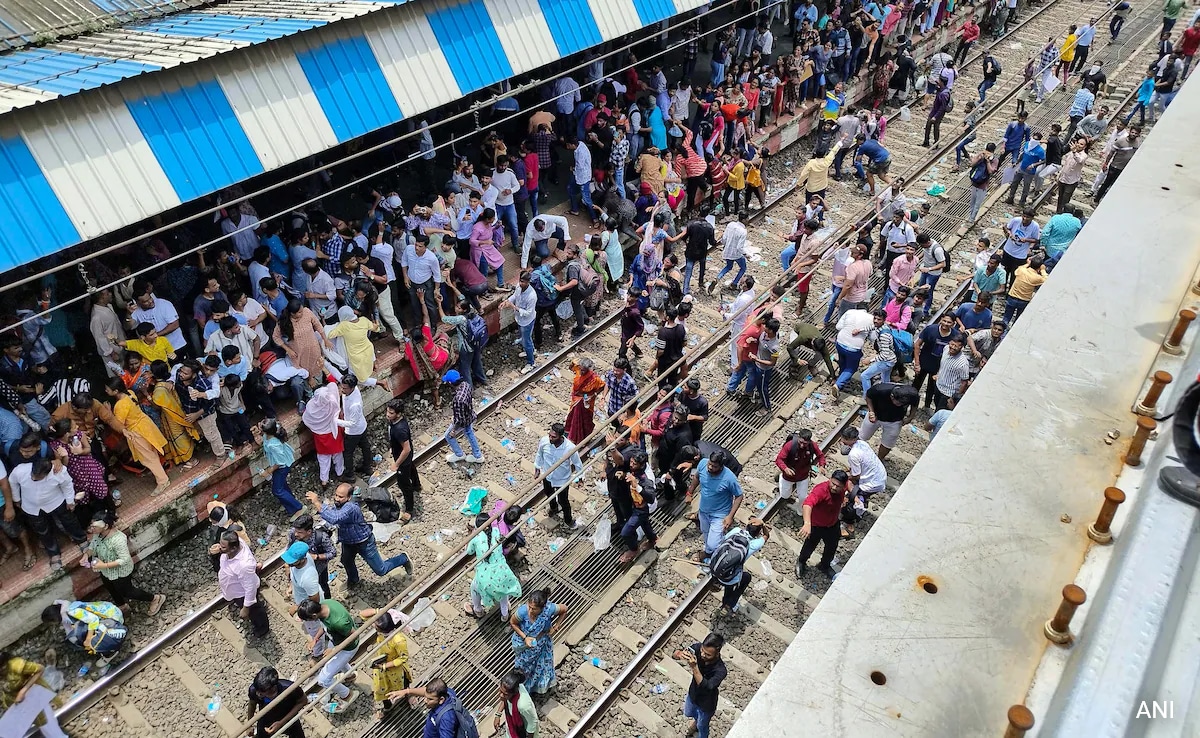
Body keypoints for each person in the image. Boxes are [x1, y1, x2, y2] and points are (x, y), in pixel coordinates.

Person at [306, 483, 412, 586]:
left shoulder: (351, 507)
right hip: (348, 542)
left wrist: (316, 502)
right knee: (346, 561)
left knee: (381, 570)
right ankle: (353, 580)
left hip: (364, 543)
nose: (337, 498)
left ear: (349, 497)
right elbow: (332, 514)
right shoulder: (339, 504)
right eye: (336, 495)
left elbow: (335, 518)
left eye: (341, 497)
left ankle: (403, 558)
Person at [10, 456, 86, 570]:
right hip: (31, 507)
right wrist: (17, 499)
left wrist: (70, 501)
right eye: (33, 475)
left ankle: (81, 540)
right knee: (42, 531)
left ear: (47, 473)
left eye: (37, 477)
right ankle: (54, 553)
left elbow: (67, 485)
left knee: (69, 521)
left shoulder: (58, 472)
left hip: (56, 501)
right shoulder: (20, 470)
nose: (33, 478)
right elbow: (12, 481)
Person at [297, 598, 361, 712]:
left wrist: (334, 650)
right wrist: (315, 639)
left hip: (347, 648)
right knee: (331, 661)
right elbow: (325, 625)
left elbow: (354, 636)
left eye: (308, 620)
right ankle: (350, 675)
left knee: (323, 680)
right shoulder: (325, 605)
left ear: (314, 615)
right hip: (336, 639)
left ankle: (347, 695)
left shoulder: (338, 622)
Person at [356, 607, 416, 721]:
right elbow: (362, 614)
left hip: (394, 669)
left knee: (403, 682)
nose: (373, 625)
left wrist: (384, 666)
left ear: (383, 629)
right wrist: (378, 612)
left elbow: (403, 657)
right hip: (381, 665)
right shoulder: (384, 625)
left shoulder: (398, 640)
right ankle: (387, 707)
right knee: (381, 689)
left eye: (376, 625)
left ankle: (408, 694)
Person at [686, 450, 744, 563]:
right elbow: (697, 477)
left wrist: (730, 516)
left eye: (715, 466)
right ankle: (712, 548)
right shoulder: (703, 463)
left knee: (713, 545)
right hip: (703, 511)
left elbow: (739, 496)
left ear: (721, 466)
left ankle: (709, 552)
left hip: (719, 515)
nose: (710, 467)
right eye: (710, 464)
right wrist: (689, 493)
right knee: (705, 532)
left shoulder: (729, 478)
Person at [509, 588, 567, 694]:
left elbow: (564, 609)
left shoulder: (549, 609)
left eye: (534, 609)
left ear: (543, 607)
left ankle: (537, 686)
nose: (531, 611)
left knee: (541, 665)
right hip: (524, 644)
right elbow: (513, 623)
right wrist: (525, 637)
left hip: (541, 642)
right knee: (522, 667)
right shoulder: (522, 612)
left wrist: (556, 626)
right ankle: (521, 688)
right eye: (529, 607)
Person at [40, 599, 127, 670]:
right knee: (79, 634)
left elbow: (94, 620)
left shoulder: (72, 612)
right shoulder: (67, 606)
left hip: (113, 619)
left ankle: (109, 652)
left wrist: (88, 639)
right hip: (108, 611)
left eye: (51, 623)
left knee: (82, 636)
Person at [466, 511, 523, 618]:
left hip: (484, 577)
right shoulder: (496, 531)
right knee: (503, 590)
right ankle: (505, 615)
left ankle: (478, 610)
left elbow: (469, 552)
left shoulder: (475, 538)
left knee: (474, 587)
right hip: (503, 572)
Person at [671, 634, 727, 738]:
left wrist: (694, 667)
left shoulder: (721, 671)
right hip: (693, 694)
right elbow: (674, 655)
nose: (702, 655)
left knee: (702, 726)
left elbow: (706, 687)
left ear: (717, 653)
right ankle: (696, 722)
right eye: (702, 650)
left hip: (706, 704)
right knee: (688, 712)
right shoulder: (697, 648)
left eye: (708, 654)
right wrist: (679, 654)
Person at [796, 469, 849, 578]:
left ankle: (824, 565)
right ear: (830, 479)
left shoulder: (844, 487)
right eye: (833, 484)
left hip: (833, 524)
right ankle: (801, 561)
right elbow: (807, 504)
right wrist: (807, 523)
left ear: (843, 486)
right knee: (810, 545)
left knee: (832, 546)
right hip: (817, 526)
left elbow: (850, 483)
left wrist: (852, 497)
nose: (834, 487)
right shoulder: (820, 490)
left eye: (838, 486)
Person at [1, 650, 66, 738]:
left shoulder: (16, 665)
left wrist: (23, 690)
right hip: (19, 705)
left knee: (48, 725)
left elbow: (40, 669)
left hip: (34, 698)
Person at [217, 529, 268, 637]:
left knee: (255, 612)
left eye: (223, 547)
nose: (220, 548)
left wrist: (245, 608)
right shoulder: (236, 542)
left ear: (234, 548)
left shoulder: (243, 566)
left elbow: (250, 588)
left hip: (242, 593)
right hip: (237, 588)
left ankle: (262, 627)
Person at [839, 427, 888, 536]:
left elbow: (856, 476)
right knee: (858, 493)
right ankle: (862, 501)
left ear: (851, 440)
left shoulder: (853, 455)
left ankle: (849, 520)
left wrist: (845, 478)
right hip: (880, 475)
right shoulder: (862, 443)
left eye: (844, 439)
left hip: (871, 483)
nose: (842, 440)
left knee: (852, 499)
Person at [712, 518, 769, 613]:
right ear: (758, 533)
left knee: (728, 578)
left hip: (714, 568)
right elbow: (767, 535)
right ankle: (729, 604)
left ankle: (719, 587)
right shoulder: (754, 544)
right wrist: (763, 524)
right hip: (729, 578)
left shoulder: (736, 531)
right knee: (746, 577)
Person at [535, 422, 584, 530]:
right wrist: (537, 467)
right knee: (549, 493)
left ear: (561, 437)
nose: (550, 438)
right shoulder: (544, 441)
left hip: (562, 479)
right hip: (547, 476)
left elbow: (577, 463)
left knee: (564, 501)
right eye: (549, 435)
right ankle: (554, 508)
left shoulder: (570, 448)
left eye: (553, 437)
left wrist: (581, 477)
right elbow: (539, 454)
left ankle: (568, 520)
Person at [282, 541, 324, 662]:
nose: (289, 563)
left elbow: (314, 600)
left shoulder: (307, 578)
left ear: (301, 559)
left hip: (308, 606)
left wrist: (296, 607)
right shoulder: (304, 559)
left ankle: (318, 653)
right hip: (303, 596)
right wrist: (291, 584)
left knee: (315, 631)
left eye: (292, 561)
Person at [302, 379, 345, 485]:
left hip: (320, 436)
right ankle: (340, 472)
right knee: (338, 455)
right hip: (333, 433)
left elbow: (305, 419)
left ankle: (324, 479)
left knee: (323, 458)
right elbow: (333, 386)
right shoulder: (332, 402)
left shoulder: (311, 406)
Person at [861, 383, 920, 460]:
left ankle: (879, 459)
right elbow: (868, 396)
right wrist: (871, 411)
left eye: (903, 403)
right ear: (892, 397)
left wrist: (910, 417)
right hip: (876, 415)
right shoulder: (880, 389)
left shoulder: (912, 394)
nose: (900, 405)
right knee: (862, 436)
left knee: (888, 443)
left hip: (895, 420)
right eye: (898, 403)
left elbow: (915, 405)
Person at [618, 450, 657, 563]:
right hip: (635, 504)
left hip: (642, 508)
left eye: (634, 464)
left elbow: (651, 497)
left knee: (625, 532)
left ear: (641, 465)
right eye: (631, 462)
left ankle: (633, 549)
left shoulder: (646, 479)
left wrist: (637, 486)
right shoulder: (634, 470)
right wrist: (624, 475)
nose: (631, 465)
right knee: (645, 524)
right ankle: (653, 538)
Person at [246, 666, 306, 738]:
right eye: (257, 691)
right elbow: (252, 705)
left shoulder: (289, 688)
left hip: (288, 717)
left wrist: (281, 723)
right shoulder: (254, 690)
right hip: (266, 718)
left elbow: (303, 701)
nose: (258, 694)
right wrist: (249, 725)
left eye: (261, 692)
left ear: (272, 688)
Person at [260, 418, 303, 518]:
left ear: (265, 431)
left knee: (277, 490)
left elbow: (280, 462)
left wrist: (268, 471)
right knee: (282, 485)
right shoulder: (270, 435)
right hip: (279, 464)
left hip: (282, 467)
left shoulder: (273, 445)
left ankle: (298, 507)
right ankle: (290, 503)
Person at [385, 400, 419, 523]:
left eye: (391, 413)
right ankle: (416, 484)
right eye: (388, 411)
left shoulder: (399, 429)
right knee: (411, 466)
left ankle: (409, 510)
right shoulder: (396, 422)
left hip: (403, 459)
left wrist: (396, 464)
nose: (388, 414)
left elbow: (406, 448)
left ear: (398, 414)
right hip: (405, 456)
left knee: (404, 485)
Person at [442, 369, 484, 464]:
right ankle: (477, 455)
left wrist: (454, 430)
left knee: (448, 436)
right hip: (469, 415)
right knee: (469, 434)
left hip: (464, 420)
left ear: (450, 383)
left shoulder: (458, 400)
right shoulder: (466, 385)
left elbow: (459, 419)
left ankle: (459, 454)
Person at [289, 514, 334, 599]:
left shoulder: (321, 537)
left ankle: (327, 601)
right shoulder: (292, 533)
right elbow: (289, 547)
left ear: (309, 531)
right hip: (299, 567)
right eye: (295, 531)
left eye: (299, 532)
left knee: (323, 586)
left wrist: (317, 557)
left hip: (318, 569)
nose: (296, 534)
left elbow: (332, 553)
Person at [337, 374, 373, 481]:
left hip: (353, 431)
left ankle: (350, 475)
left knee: (347, 453)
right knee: (365, 447)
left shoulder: (355, 405)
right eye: (341, 387)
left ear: (351, 388)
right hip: (362, 425)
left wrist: (336, 421)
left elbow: (352, 423)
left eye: (344, 388)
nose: (342, 390)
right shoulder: (353, 389)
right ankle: (367, 467)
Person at [564, 358, 605, 444]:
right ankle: (571, 434)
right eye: (581, 370)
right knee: (573, 417)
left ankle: (582, 437)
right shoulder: (578, 369)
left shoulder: (594, 379)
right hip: (576, 399)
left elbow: (602, 387)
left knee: (585, 419)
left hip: (587, 401)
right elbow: (571, 367)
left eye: (584, 370)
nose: (582, 372)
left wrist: (594, 395)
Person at [494, 668, 540, 738]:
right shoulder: (512, 691)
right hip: (513, 725)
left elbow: (532, 722)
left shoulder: (523, 705)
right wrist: (498, 715)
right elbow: (505, 700)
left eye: (505, 694)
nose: (501, 695)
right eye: (500, 691)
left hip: (523, 731)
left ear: (514, 693)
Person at [1004, 255, 1049, 325]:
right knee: (1017, 321)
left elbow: (1020, 268)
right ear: (1039, 267)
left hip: (1012, 297)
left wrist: (1027, 264)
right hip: (1024, 300)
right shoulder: (1037, 278)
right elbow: (1046, 279)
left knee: (1006, 318)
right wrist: (1043, 270)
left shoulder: (1021, 270)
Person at [933, 335, 971, 410]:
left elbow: (964, 382)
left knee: (940, 411)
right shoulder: (946, 348)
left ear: (961, 347)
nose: (953, 347)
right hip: (938, 385)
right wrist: (938, 374)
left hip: (949, 393)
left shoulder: (963, 363)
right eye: (952, 344)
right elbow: (943, 365)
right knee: (936, 403)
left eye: (956, 346)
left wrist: (955, 398)